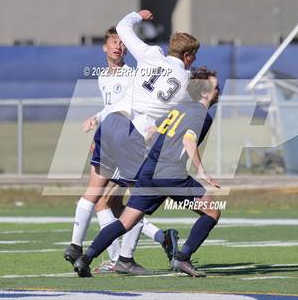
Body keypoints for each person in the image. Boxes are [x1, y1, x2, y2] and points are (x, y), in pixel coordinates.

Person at [74, 67, 221, 278]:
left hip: (150, 170)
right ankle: (182, 258)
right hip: (170, 173)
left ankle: (85, 258)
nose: (219, 90)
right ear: (205, 92)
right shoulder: (202, 115)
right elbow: (189, 140)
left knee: (125, 222)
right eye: (216, 87)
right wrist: (202, 171)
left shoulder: (179, 109)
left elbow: (153, 131)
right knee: (213, 211)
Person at [63, 27, 177, 275]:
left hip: (130, 140)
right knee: (109, 201)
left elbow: (126, 109)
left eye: (121, 43)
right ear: (104, 47)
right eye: (113, 42)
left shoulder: (131, 75)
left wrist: (100, 124)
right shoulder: (103, 76)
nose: (118, 46)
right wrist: (99, 128)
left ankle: (117, 257)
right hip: (113, 139)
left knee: (112, 200)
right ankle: (156, 240)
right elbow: (111, 109)